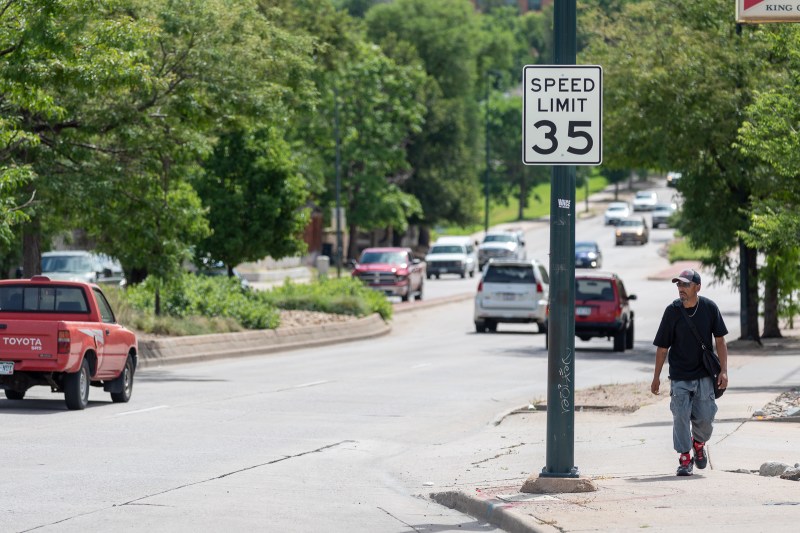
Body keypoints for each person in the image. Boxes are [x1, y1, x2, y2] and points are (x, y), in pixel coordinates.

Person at [651, 268, 729, 476]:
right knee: (680, 417)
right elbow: (662, 348)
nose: (681, 288)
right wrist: (656, 377)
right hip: (679, 376)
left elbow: (720, 341)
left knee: (705, 418)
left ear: (697, 287)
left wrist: (724, 371)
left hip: (704, 374)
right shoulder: (672, 312)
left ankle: (699, 443)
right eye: (678, 284)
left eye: (685, 284)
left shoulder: (710, 308)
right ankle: (685, 459)